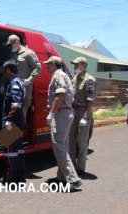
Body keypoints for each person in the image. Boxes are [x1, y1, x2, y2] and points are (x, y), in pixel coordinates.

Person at [44, 56, 82, 191]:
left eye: (48, 64)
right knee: (63, 145)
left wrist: (52, 113)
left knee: (59, 146)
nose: (46, 66)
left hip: (61, 113)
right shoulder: (63, 75)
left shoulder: (58, 76)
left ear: (53, 64)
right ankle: (61, 176)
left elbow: (59, 96)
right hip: (65, 113)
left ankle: (73, 179)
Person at [1, 34, 41, 120]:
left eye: (10, 45)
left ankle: (19, 133)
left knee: (20, 117)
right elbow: (7, 70)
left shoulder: (28, 53)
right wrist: (3, 84)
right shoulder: (11, 55)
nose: (9, 48)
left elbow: (38, 68)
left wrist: (30, 80)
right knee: (11, 116)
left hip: (24, 91)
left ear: (17, 42)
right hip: (13, 90)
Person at [69, 57, 96, 175]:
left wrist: (85, 116)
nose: (75, 66)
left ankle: (80, 167)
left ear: (84, 66)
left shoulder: (89, 80)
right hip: (73, 111)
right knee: (70, 140)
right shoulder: (74, 79)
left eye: (77, 64)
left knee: (82, 141)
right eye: (74, 64)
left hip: (83, 111)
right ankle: (71, 166)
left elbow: (90, 100)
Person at [1, 59, 26, 184]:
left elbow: (15, 104)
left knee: (10, 152)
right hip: (19, 120)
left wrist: (9, 120)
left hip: (13, 120)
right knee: (18, 150)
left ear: (8, 70)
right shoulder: (20, 81)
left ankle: (10, 179)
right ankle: (20, 177)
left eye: (5, 71)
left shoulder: (14, 82)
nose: (5, 74)